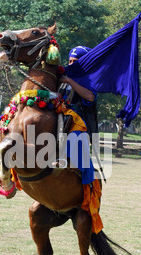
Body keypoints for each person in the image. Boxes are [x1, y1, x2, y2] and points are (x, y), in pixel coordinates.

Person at [58, 46, 98, 185]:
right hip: (57, 113)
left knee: (76, 137)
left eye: (75, 61)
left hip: (77, 119)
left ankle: (78, 169)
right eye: (69, 61)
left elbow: (90, 97)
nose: (71, 64)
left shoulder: (90, 80)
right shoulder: (62, 74)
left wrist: (70, 81)